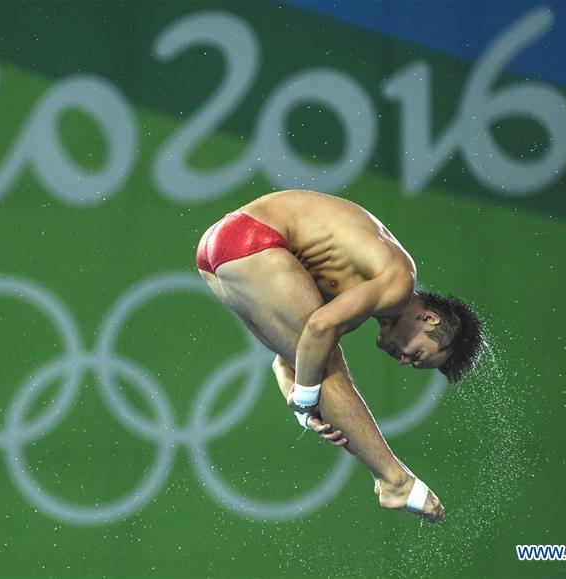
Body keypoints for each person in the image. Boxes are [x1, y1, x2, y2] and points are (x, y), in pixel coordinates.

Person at [195, 189, 484, 523]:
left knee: (317, 358)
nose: (403, 361)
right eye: (417, 354)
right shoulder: (398, 283)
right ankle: (396, 481)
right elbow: (319, 328)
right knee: (327, 360)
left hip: (217, 251)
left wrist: (304, 409)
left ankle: (393, 480)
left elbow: (285, 359)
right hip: (256, 239)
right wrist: (305, 397)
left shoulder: (359, 291)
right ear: (430, 318)